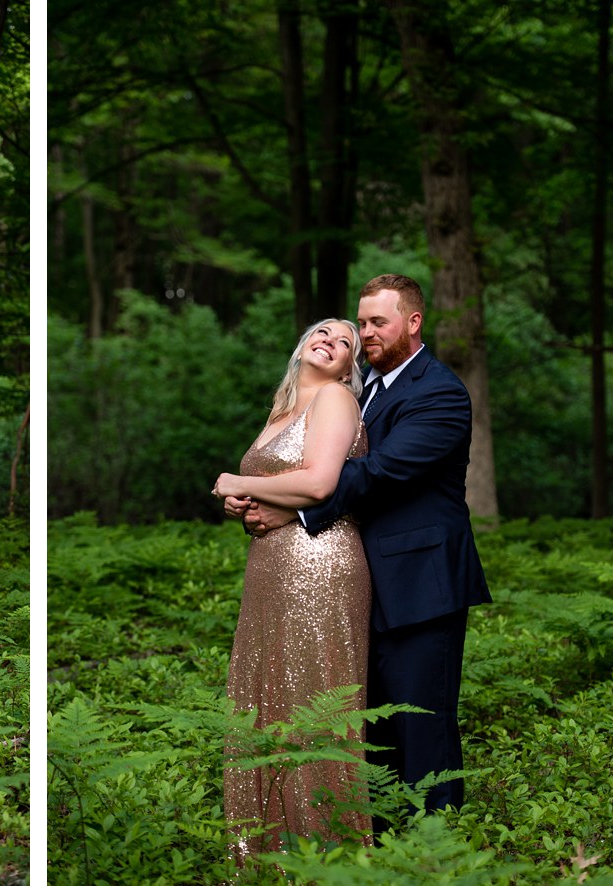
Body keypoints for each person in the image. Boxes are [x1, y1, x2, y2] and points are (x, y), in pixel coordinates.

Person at [227, 274, 492, 820]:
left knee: (420, 720)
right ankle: (375, 837)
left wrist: (292, 506)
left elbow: (381, 470)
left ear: (413, 323)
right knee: (368, 721)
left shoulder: (439, 392)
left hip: (421, 582)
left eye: (378, 322)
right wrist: (268, 505)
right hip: (354, 576)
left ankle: (432, 845)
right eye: (362, 321)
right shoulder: (357, 390)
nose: (367, 332)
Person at [212, 318, 372, 861]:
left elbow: (320, 483)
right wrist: (244, 509)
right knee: (270, 697)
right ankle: (266, 852)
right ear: (302, 343)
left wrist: (236, 484)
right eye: (322, 331)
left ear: (351, 367)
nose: (330, 339)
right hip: (269, 565)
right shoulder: (279, 413)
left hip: (320, 564)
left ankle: (325, 853)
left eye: (345, 341)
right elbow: (275, 494)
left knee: (312, 701)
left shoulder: (335, 399)